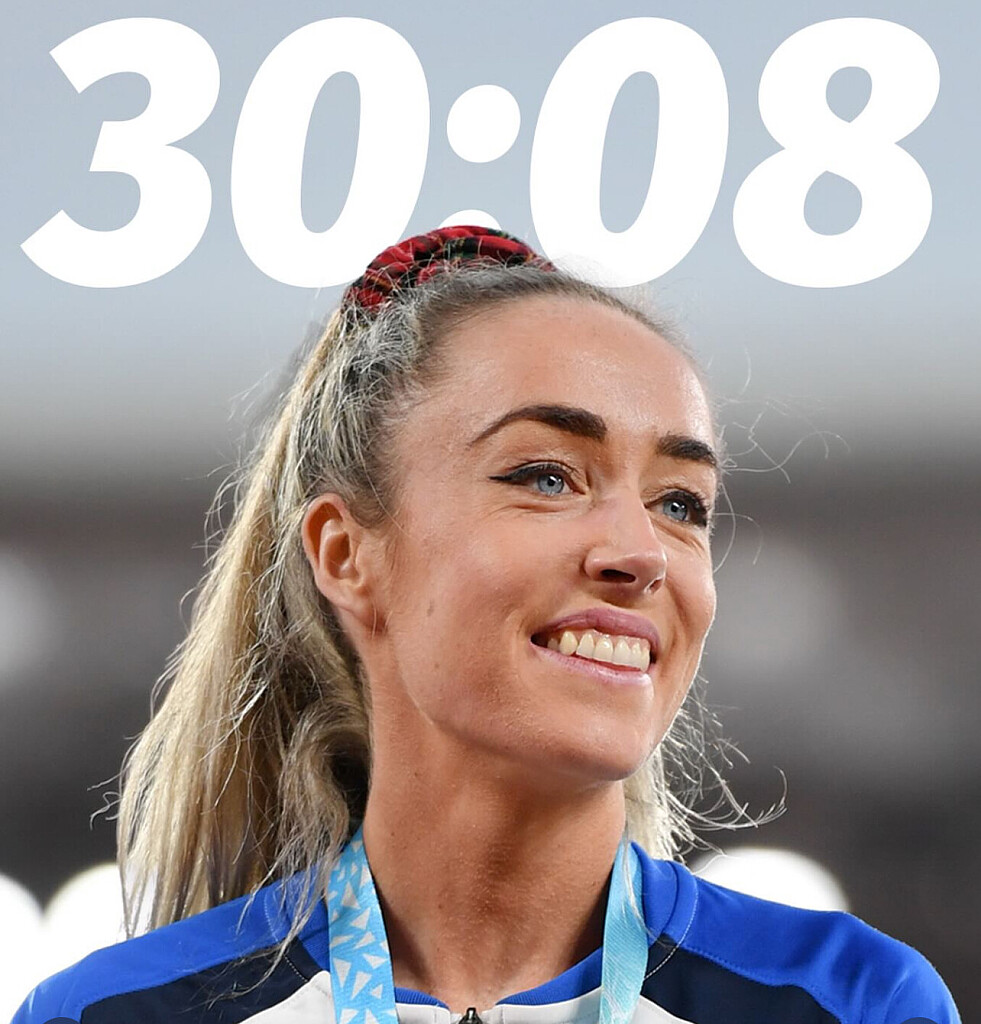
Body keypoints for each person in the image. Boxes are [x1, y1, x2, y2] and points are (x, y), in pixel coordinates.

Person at [13, 226, 960, 1024]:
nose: (640, 552)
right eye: (545, 477)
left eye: (680, 503)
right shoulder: (112, 1014)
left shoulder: (849, 1001)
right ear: (347, 554)